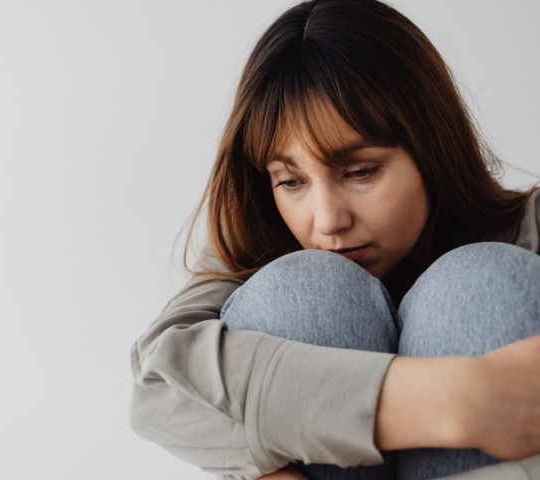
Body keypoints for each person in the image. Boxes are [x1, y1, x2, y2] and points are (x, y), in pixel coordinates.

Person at [128, 1, 540, 480]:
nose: (326, 221)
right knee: (300, 292)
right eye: (290, 181)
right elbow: (158, 389)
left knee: (481, 283)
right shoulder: (256, 247)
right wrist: (451, 399)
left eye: (360, 171)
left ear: (432, 146)